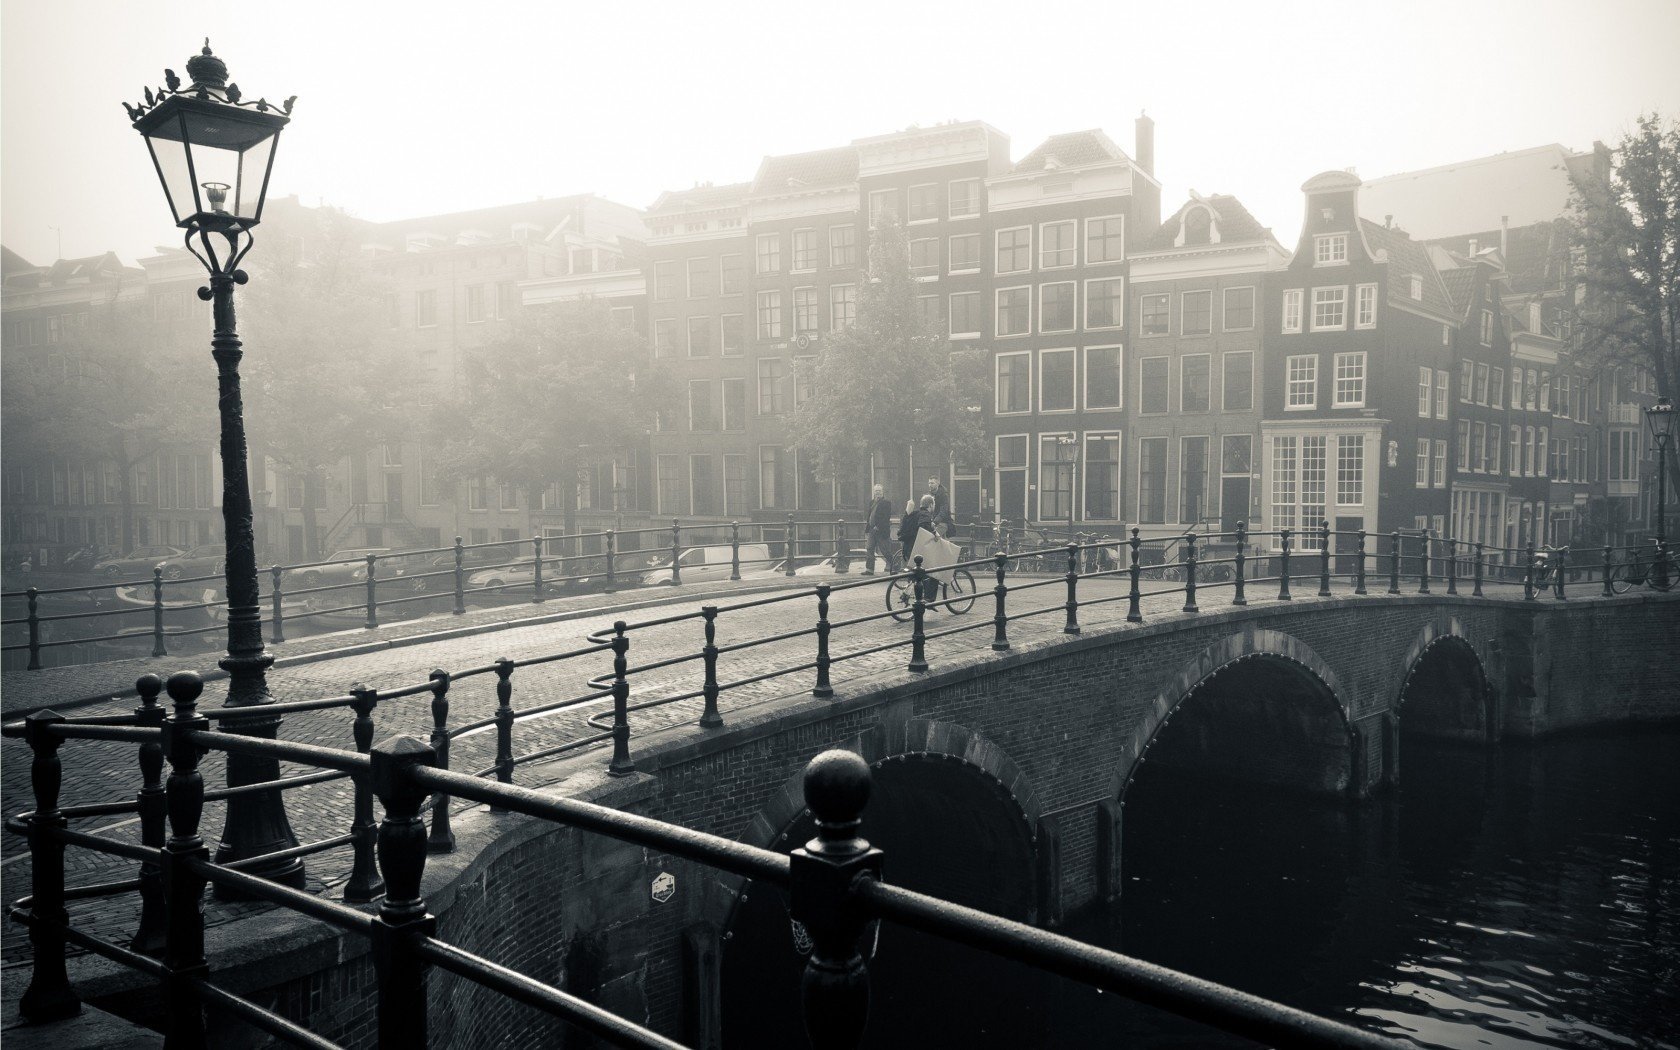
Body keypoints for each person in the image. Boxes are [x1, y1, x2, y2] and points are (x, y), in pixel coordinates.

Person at [899, 494, 941, 609]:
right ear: (930, 505)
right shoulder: (925, 514)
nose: (934, 508)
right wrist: (934, 532)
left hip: (908, 549)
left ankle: (906, 594)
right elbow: (923, 527)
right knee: (935, 572)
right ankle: (928, 600)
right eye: (934, 505)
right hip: (916, 550)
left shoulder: (915, 514)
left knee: (917, 575)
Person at [863, 485, 896, 576]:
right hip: (872, 530)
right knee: (869, 548)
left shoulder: (886, 503)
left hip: (881, 530)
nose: (878, 492)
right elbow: (869, 516)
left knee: (885, 550)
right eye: (876, 491)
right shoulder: (871, 502)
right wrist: (868, 528)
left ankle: (895, 566)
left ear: (882, 492)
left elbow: (886, 517)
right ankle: (869, 569)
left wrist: (878, 526)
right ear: (874, 492)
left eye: (879, 491)